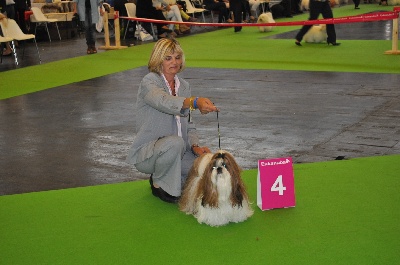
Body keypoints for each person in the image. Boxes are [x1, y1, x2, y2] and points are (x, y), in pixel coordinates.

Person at [126, 38, 219, 204]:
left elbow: (189, 124)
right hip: (148, 154)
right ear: (158, 60)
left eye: (177, 57)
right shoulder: (149, 81)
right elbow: (164, 101)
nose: (174, 62)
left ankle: (173, 179)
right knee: (175, 144)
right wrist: (193, 102)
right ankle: (158, 182)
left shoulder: (184, 86)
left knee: (206, 166)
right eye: (168, 58)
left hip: (180, 150)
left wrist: (196, 147)